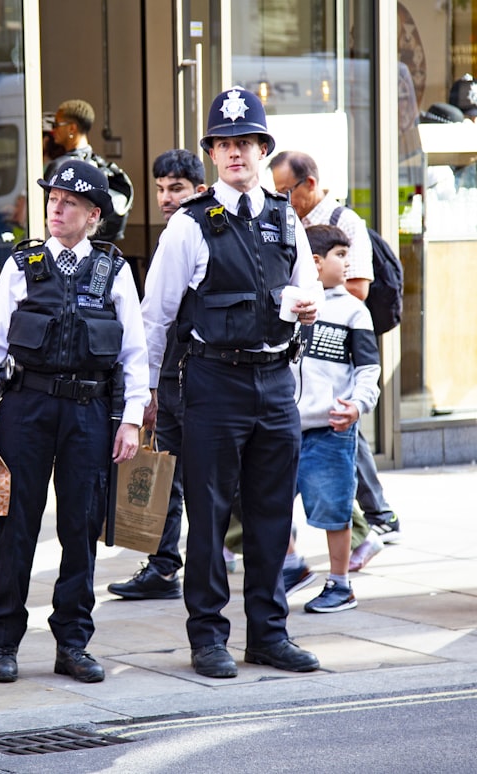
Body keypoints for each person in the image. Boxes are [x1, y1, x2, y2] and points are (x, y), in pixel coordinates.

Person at [141, 87, 321, 679]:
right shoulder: (190, 225)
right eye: (226, 144)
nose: (237, 153)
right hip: (214, 380)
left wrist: (308, 306)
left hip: (275, 380)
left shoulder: (283, 214)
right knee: (211, 514)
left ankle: (269, 634)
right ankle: (208, 637)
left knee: (271, 513)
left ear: (263, 150)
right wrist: (143, 393)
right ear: (213, 155)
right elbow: (157, 316)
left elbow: (306, 287)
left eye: (248, 143)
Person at [0, 158, 149, 685]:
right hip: (26, 408)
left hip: (89, 412)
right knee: (14, 527)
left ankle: (73, 642)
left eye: (69, 203)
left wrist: (130, 420)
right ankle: (2, 642)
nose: (57, 208)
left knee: (80, 526)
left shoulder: (114, 269)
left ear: (94, 215)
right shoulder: (22, 264)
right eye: (52, 200)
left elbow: (134, 354)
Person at [268, 151, 401, 546]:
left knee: (342, 430)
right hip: (301, 362)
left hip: (336, 344)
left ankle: (375, 519)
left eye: (286, 191)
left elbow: (357, 287)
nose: (282, 200)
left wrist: (312, 295)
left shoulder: (346, 224)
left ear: (309, 184)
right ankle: (372, 520)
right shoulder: (284, 219)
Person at [108, 149, 206, 601]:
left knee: (198, 475)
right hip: (173, 375)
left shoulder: (196, 231)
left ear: (199, 190)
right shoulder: (177, 232)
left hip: (196, 376)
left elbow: (157, 317)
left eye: (177, 189)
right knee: (167, 471)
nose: (166, 199)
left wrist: (147, 385)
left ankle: (282, 556)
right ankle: (165, 565)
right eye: (161, 189)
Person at [288, 224, 380, 613]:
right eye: (340, 255)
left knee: (334, 511)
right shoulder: (290, 303)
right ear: (315, 261)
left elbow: (368, 369)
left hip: (331, 429)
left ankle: (340, 584)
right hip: (284, 425)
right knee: (264, 502)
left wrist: (358, 405)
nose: (348, 263)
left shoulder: (354, 311)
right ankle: (291, 565)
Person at [43, 99, 131, 243]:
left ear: (72, 128)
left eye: (56, 125)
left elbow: (44, 215)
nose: (53, 131)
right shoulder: (100, 166)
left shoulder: (61, 166)